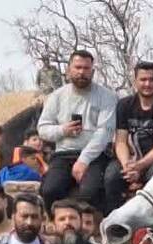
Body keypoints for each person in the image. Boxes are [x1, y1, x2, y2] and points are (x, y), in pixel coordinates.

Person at [38, 50, 118, 213]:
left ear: (93, 71)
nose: (82, 72)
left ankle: (94, 227)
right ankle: (56, 223)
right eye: (78, 67)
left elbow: (105, 132)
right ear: (68, 70)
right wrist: (62, 130)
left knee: (90, 192)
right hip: (63, 154)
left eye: (86, 68)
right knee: (50, 190)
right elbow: (42, 129)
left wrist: (84, 160)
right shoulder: (56, 96)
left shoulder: (107, 97)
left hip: (95, 157)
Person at [107, 62, 153, 214]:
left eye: (152, 80)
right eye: (143, 80)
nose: (147, 84)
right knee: (111, 177)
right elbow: (120, 141)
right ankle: (114, 218)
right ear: (135, 82)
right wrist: (127, 166)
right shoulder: (124, 105)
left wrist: (139, 166)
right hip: (130, 157)